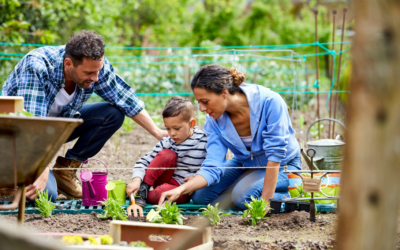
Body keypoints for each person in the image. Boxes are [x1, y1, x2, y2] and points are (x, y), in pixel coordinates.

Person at [1, 30, 167, 202]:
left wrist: (157, 132)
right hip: (15, 138)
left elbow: (125, 99)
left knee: (112, 114)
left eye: (98, 71)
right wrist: (41, 169)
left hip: (55, 128)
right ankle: (9, 176)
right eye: (89, 73)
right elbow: (30, 125)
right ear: (68, 64)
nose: (95, 78)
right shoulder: (37, 67)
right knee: (46, 195)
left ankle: (64, 171)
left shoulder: (95, 67)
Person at [158, 64, 301, 210]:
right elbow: (213, 164)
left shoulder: (270, 102)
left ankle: (297, 191)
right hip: (244, 164)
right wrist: (181, 189)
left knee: (243, 198)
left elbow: (275, 156)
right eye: (199, 102)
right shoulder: (214, 121)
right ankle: (242, 189)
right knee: (200, 196)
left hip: (284, 165)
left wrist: (265, 203)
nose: (201, 109)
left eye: (205, 101)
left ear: (224, 93)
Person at [126, 96, 207, 217]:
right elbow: (144, 162)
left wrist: (197, 177)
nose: (172, 133)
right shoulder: (169, 141)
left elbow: (212, 166)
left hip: (182, 189)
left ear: (192, 123)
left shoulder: (204, 141)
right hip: (164, 179)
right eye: (168, 128)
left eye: (177, 128)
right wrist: (136, 180)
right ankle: (142, 189)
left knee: (159, 195)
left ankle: (139, 194)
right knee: (167, 154)